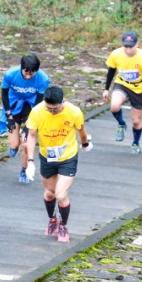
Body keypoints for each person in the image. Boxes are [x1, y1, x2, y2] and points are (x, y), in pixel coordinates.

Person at [24, 86, 90, 243]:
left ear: (63, 102)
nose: (53, 112)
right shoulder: (37, 112)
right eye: (49, 109)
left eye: (56, 109)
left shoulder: (74, 112)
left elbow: (81, 130)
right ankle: (52, 219)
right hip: (47, 156)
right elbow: (31, 136)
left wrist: (85, 143)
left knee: (61, 194)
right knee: (49, 193)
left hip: (68, 156)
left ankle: (64, 225)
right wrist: (30, 161)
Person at [0, 54, 49, 184]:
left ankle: (24, 170)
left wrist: (29, 126)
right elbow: (4, 93)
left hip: (30, 107)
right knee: (15, 144)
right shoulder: (10, 74)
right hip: (14, 104)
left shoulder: (43, 79)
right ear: (22, 67)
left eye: (31, 74)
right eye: (26, 73)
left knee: (26, 142)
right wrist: (9, 116)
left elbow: (38, 103)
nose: (28, 76)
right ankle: (14, 146)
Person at [103, 31, 142, 154]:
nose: (128, 50)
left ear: (137, 44)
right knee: (114, 105)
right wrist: (106, 89)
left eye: (130, 47)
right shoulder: (116, 54)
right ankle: (121, 124)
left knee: (136, 121)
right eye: (125, 46)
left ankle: (135, 143)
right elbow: (111, 71)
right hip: (122, 83)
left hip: (139, 88)